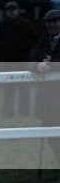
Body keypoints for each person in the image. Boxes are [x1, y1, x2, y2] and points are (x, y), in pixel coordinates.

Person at [0, 0, 37, 117]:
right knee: (8, 88)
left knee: (24, 87)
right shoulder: (2, 25)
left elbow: (34, 40)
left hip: (22, 60)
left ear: (18, 10)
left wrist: (27, 50)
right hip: (8, 61)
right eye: (9, 10)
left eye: (13, 9)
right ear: (6, 12)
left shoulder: (25, 24)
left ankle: (24, 111)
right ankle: (8, 112)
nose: (11, 12)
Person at [27, 9, 60, 169]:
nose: (51, 25)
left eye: (55, 21)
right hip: (48, 98)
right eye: (48, 22)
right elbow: (30, 61)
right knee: (50, 131)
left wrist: (51, 66)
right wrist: (37, 66)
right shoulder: (44, 41)